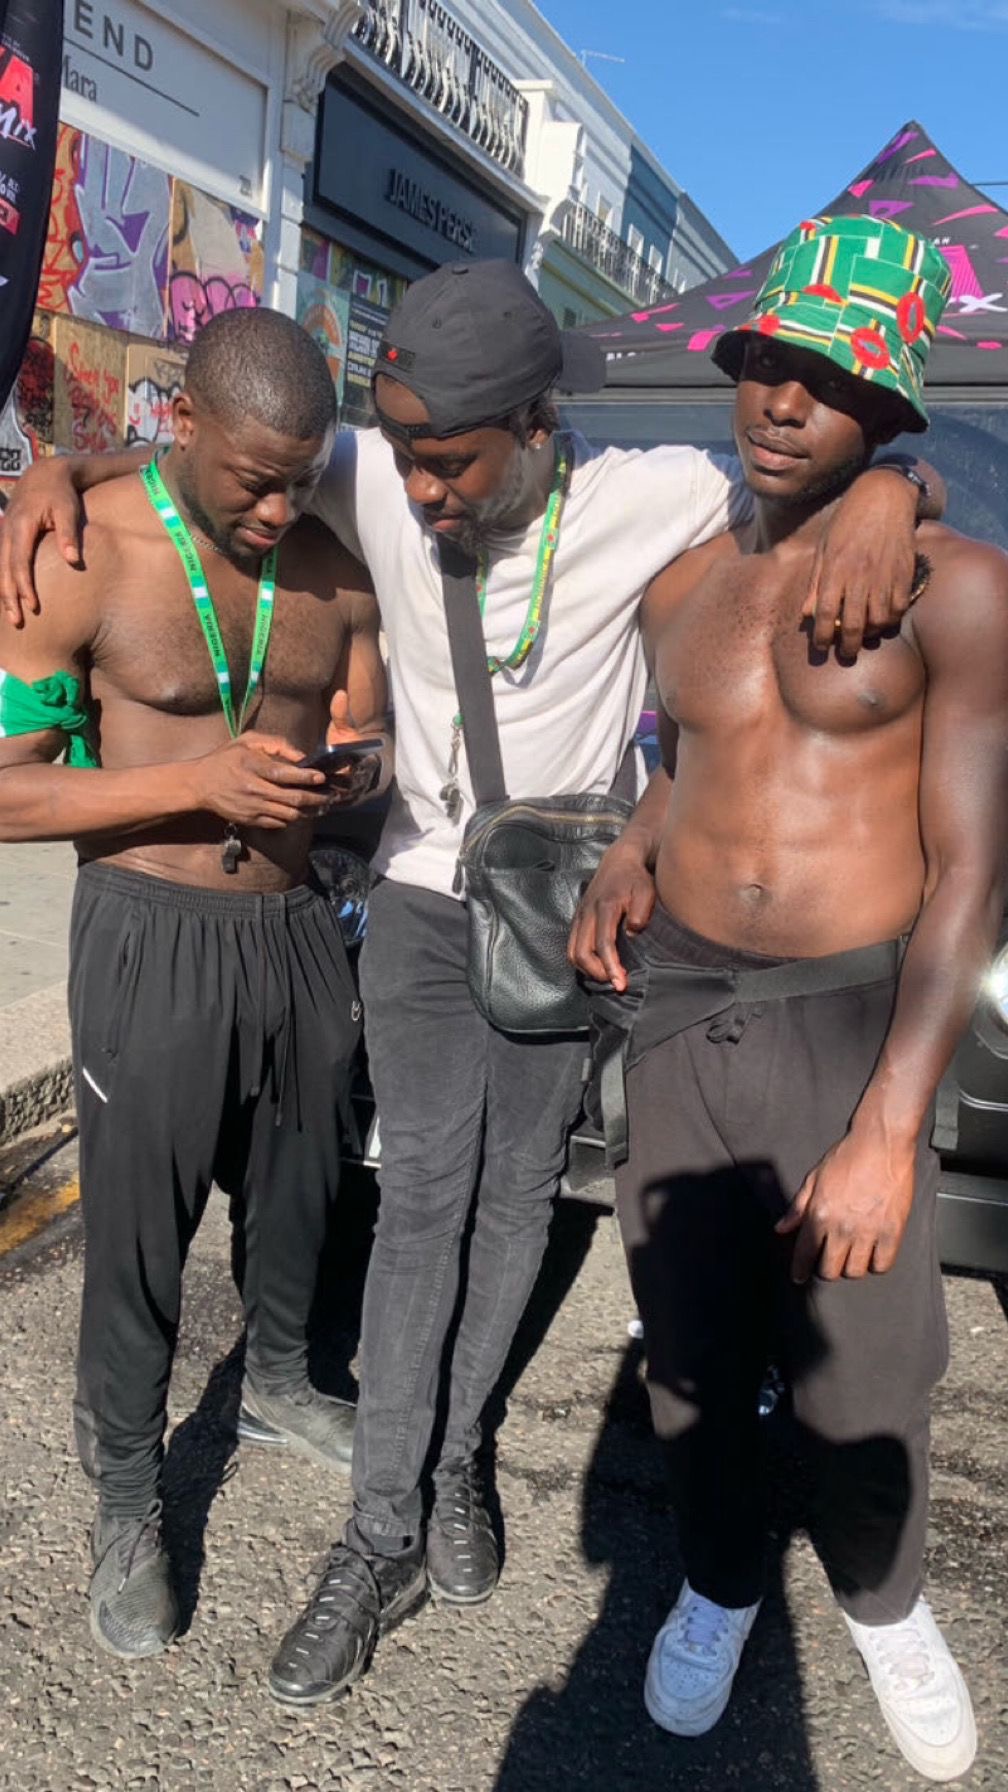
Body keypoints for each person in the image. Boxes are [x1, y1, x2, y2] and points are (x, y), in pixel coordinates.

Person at [0, 262, 943, 1706]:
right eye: (406, 459)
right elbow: (208, 450)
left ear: (539, 425)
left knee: (516, 1205)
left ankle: (455, 1470)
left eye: (453, 465)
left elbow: (794, 501)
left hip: (562, 907)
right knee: (423, 1200)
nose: (422, 491)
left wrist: (896, 486)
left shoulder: (652, 496)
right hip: (424, 906)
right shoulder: (372, 476)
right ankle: (376, 1533)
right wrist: (58, 469)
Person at [570, 215, 1008, 1782]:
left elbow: (972, 873)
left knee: (873, 1363)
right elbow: (690, 756)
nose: (781, 400)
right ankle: (721, 1579)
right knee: (692, 1338)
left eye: (829, 378)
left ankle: (885, 1601)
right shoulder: (685, 585)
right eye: (766, 360)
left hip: (846, 1014)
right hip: (686, 1009)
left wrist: (889, 1127)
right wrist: (633, 848)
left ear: (889, 408)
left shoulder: (960, 593)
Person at [0, 307, 388, 1661]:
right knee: (140, 1231)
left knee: (302, 1187)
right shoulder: (79, 559)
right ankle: (125, 1497)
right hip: (148, 928)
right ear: (184, 426)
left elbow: (374, 730)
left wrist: (354, 770)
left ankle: (276, 1380)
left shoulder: (335, 570)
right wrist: (197, 784)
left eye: (304, 479)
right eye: (256, 480)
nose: (280, 510)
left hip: (296, 925)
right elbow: (6, 794)